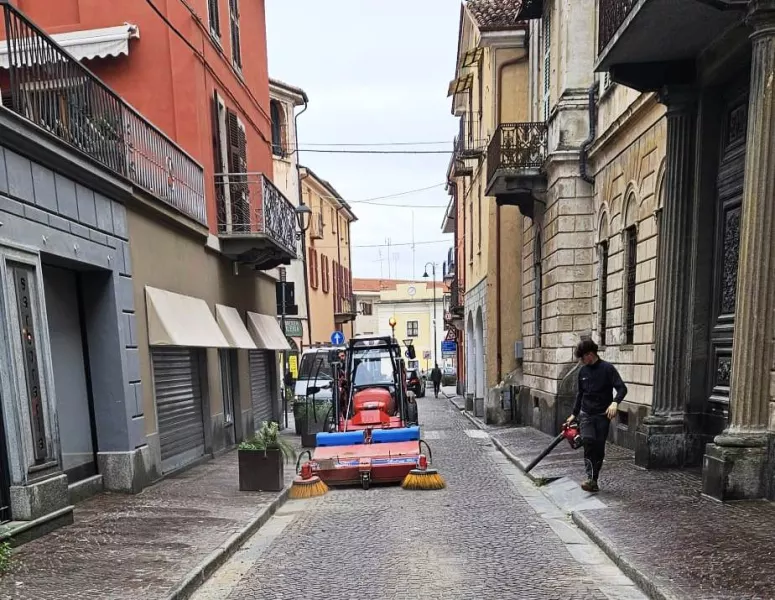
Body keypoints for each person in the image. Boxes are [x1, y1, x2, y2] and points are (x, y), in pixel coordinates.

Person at [566, 339, 627, 493]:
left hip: (602, 415)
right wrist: (574, 414)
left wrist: (615, 403)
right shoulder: (582, 372)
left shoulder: (607, 369)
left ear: (590, 354)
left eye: (582, 357)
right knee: (588, 441)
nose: (581, 361)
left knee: (599, 447)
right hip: (586, 413)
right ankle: (589, 477)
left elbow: (622, 388)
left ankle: (594, 479)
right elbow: (580, 394)